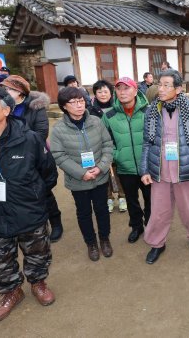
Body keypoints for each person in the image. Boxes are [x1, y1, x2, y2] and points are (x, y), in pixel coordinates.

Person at [0, 85, 57, 322]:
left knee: (37, 254)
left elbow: (48, 174)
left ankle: (38, 284)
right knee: (0, 261)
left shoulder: (30, 139)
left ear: (6, 110)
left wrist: (32, 196)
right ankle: (11, 292)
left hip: (29, 212)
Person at [140, 69, 189, 264]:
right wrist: (144, 169)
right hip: (159, 169)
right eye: (159, 84)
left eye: (166, 85)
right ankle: (157, 243)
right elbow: (147, 141)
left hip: (185, 169)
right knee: (159, 210)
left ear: (178, 89)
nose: (160, 89)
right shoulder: (152, 110)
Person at [50, 87, 114, 261]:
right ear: (64, 106)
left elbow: (108, 145)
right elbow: (58, 155)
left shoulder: (95, 121)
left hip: (100, 176)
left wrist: (101, 167)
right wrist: (81, 173)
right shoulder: (58, 129)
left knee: (102, 209)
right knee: (84, 212)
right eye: (73, 102)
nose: (79, 105)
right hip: (78, 181)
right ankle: (91, 243)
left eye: (81, 100)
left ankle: (104, 238)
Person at [0, 75, 65, 243]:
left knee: (43, 191)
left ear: (20, 92)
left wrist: (19, 148)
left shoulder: (35, 107)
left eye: (8, 89)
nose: (4, 92)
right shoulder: (2, 107)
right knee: (16, 193)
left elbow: (41, 133)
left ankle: (56, 222)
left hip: (35, 157)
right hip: (9, 159)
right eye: (4, 88)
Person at [101, 77, 151, 243]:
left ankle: (151, 226)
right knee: (131, 200)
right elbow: (105, 142)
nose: (122, 92)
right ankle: (136, 226)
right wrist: (118, 155)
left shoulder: (149, 111)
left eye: (126, 88)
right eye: (119, 89)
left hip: (148, 167)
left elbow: (158, 137)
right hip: (124, 166)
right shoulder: (109, 115)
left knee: (151, 199)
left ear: (136, 91)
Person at [89, 80, 128, 214]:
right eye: (99, 92)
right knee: (103, 173)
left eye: (105, 91)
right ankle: (109, 198)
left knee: (120, 172)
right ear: (95, 94)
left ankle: (123, 197)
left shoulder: (118, 108)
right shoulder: (90, 111)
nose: (103, 94)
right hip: (99, 147)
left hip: (117, 145)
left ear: (111, 93)